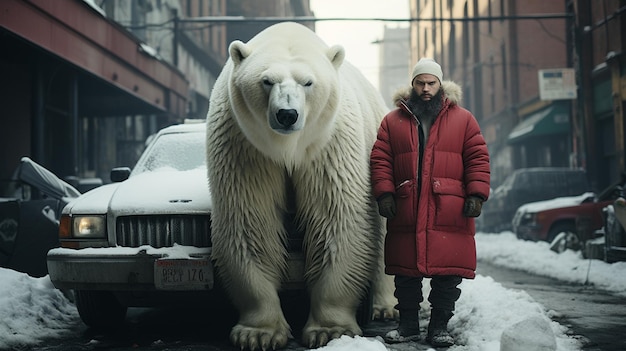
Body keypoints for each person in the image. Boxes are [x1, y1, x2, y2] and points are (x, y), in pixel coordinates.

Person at [370, 58, 490, 347]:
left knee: (447, 276)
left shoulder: (463, 119)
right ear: (412, 85)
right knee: (405, 275)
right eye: (420, 83)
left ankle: (439, 328)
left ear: (440, 85)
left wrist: (476, 194)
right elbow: (380, 160)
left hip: (448, 209)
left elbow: (477, 157)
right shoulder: (392, 121)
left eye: (431, 83)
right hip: (406, 208)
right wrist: (385, 194)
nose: (426, 89)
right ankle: (408, 326)